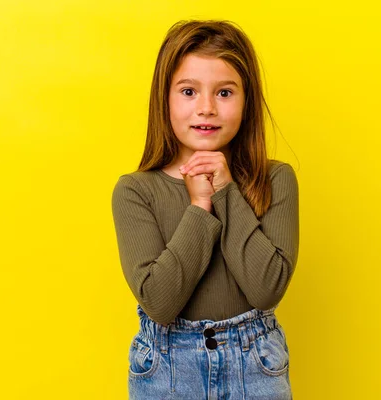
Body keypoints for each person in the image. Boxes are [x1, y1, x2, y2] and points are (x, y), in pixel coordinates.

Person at [111, 19, 299, 399]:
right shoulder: (135, 191)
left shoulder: (276, 179)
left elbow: (266, 290)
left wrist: (226, 190)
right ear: (164, 99)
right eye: (188, 91)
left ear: (247, 100)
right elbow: (160, 303)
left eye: (225, 92)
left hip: (255, 367)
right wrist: (200, 204)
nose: (207, 108)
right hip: (167, 371)